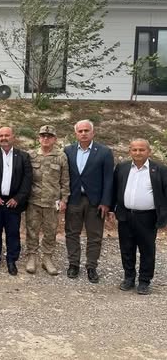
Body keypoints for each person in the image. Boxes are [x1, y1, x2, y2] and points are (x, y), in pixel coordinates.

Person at [113, 139, 167, 295]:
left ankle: (144, 281)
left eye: (142, 150)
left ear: (149, 151)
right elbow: (115, 189)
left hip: (147, 217)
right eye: (134, 149)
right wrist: (111, 209)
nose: (138, 153)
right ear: (129, 151)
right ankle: (129, 278)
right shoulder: (122, 167)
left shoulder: (160, 170)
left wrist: (164, 216)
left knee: (147, 250)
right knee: (126, 248)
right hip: (125, 215)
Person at [64, 119, 114, 283]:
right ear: (76, 133)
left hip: (95, 201)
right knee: (72, 233)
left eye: (86, 130)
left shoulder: (104, 152)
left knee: (95, 235)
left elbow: (109, 179)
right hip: (74, 199)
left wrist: (106, 202)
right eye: (80, 131)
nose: (83, 133)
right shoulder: (68, 151)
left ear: (93, 133)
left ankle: (91, 266)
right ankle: (73, 264)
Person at [0, 127, 32, 276]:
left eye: (7, 135)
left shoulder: (23, 156)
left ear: (13, 137)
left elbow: (27, 180)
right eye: (1, 135)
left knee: (13, 232)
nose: (4, 138)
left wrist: (18, 198)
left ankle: (12, 260)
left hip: (13, 202)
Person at [25, 125, 70, 276]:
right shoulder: (31, 155)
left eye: (49, 136)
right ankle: (32, 256)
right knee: (32, 230)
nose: (46, 138)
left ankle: (47, 258)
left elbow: (65, 181)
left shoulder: (61, 157)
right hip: (33, 201)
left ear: (54, 139)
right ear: (39, 138)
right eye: (43, 135)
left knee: (50, 231)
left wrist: (64, 199)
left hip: (52, 202)